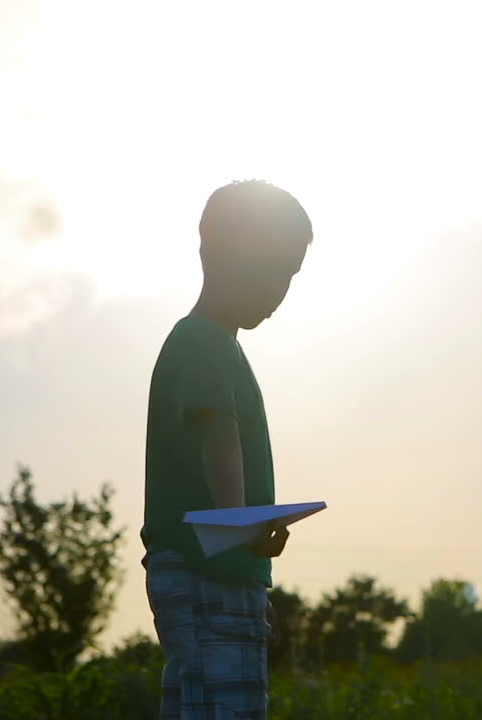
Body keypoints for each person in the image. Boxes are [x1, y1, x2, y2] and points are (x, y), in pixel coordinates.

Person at [141, 180, 312, 719]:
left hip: (218, 571)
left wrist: (253, 554)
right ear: (216, 255)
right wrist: (243, 526)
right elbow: (221, 441)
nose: (277, 289)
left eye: (289, 275)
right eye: (269, 269)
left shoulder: (215, 347)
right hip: (205, 572)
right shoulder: (204, 343)